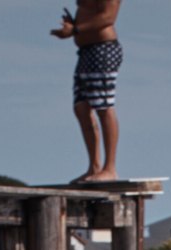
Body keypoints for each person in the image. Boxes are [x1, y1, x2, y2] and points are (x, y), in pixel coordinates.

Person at [51, 2, 123, 183]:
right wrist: (72, 25)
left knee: (103, 105)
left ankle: (110, 168)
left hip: (103, 48)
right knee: (81, 107)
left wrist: (75, 29)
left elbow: (108, 17)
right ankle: (94, 166)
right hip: (85, 51)